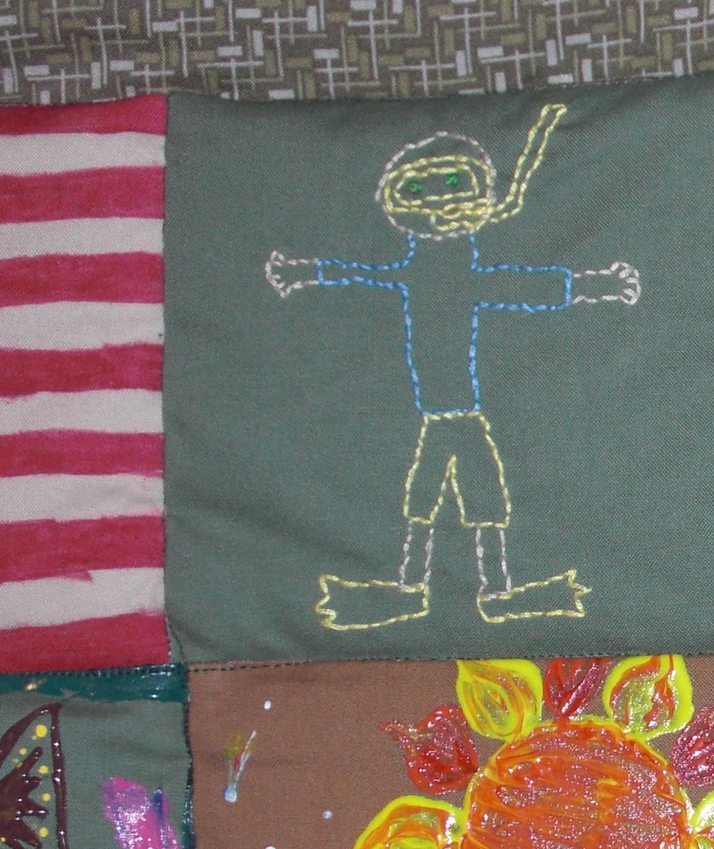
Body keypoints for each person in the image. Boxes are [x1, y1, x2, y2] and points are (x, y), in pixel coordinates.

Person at [266, 105, 639, 631]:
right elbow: (366, 272)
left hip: (451, 414)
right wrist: (303, 272)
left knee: (442, 495)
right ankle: (471, 591)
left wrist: (594, 285)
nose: (439, 201)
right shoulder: (426, 273)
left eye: (451, 184)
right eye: (419, 190)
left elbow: (523, 285)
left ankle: (429, 588)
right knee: (457, 496)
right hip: (452, 415)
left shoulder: (446, 274)